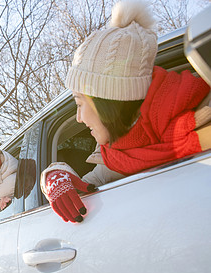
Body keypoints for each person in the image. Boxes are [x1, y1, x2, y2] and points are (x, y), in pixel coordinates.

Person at [41, 0, 211, 224]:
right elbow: (82, 185)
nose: (79, 118)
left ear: (109, 99)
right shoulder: (116, 156)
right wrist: (52, 175)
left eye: (80, 103)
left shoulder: (204, 113)